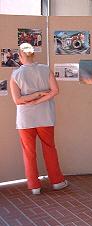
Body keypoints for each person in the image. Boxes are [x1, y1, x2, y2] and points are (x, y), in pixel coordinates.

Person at [10, 43, 68, 195]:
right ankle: (57, 182)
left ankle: (34, 186)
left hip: (25, 120)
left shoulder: (16, 75)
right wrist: (38, 97)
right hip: (45, 117)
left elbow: (18, 100)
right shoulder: (45, 69)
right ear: (33, 54)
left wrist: (32, 99)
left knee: (29, 152)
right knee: (49, 149)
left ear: (21, 56)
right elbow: (55, 91)